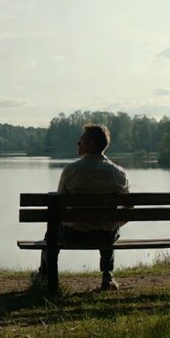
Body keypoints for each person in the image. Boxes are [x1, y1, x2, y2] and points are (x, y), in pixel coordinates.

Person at [36, 123, 130, 291]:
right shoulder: (119, 173)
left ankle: (45, 274)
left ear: (92, 144)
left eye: (82, 140)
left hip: (74, 235)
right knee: (108, 226)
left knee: (51, 231)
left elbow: (58, 207)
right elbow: (129, 208)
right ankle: (107, 275)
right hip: (105, 238)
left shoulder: (71, 170)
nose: (78, 143)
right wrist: (114, 223)